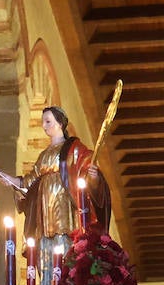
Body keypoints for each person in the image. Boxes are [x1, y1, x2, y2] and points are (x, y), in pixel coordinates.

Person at [14, 107, 111, 272]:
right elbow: (31, 180)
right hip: (44, 216)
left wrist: (93, 176)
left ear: (60, 123)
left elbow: (86, 169)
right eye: (43, 122)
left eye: (48, 121)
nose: (44, 126)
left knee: (66, 255)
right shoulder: (44, 155)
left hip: (65, 213)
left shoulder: (74, 148)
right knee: (45, 257)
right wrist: (10, 180)